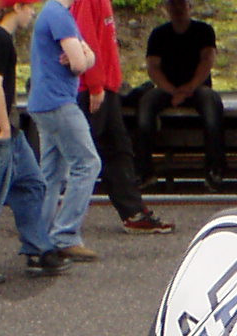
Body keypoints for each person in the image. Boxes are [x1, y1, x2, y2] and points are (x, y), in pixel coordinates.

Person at [0, 0, 71, 282]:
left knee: (31, 184)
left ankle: (37, 248)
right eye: (29, 7)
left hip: (10, 133)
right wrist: (3, 127)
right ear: (16, 7)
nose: (33, 13)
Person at [70, 0, 176, 229]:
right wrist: (96, 86)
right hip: (93, 89)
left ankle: (134, 213)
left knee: (119, 150)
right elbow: (86, 40)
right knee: (81, 156)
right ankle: (52, 221)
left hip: (107, 88)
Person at [28, 0, 100, 260]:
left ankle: (40, 235)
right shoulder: (60, 16)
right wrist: (81, 55)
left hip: (43, 101)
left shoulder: (54, 14)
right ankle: (65, 234)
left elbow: (86, 56)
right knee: (88, 163)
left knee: (52, 171)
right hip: (59, 101)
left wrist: (82, 55)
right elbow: (81, 64)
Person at [138, 0, 225, 190]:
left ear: (189, 7)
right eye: (173, 5)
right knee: (145, 104)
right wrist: (171, 90)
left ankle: (214, 169)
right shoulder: (158, 34)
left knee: (212, 107)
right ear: (166, 8)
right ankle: (144, 171)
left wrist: (188, 88)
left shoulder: (204, 31)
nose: (177, 9)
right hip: (166, 88)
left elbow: (207, 60)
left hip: (197, 87)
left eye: (181, 4)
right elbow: (153, 67)